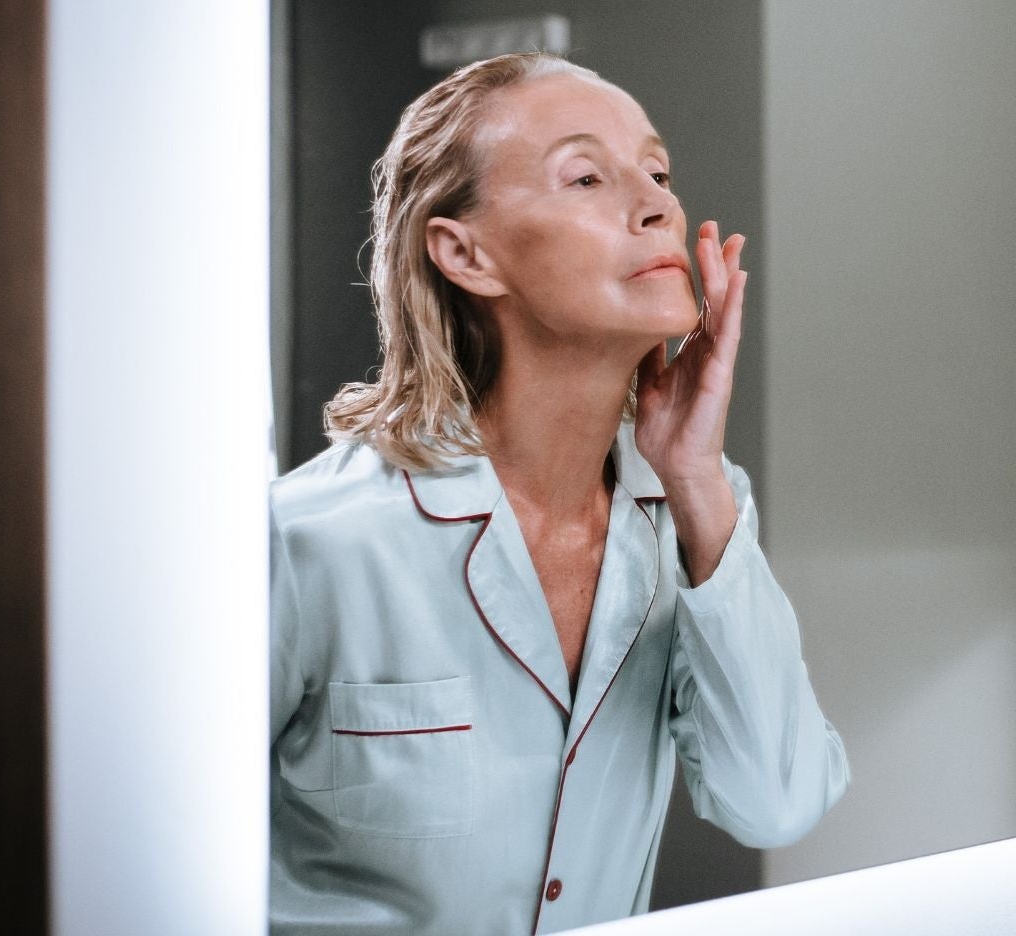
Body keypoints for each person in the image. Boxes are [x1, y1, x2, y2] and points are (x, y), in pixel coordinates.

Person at [269, 52, 848, 934]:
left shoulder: (691, 515)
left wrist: (694, 479)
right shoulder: (305, 544)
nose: (655, 202)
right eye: (586, 176)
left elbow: (775, 802)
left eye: (657, 172)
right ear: (465, 253)